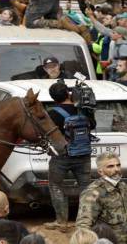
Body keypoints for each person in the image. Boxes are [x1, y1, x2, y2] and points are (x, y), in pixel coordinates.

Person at [44, 80, 94, 232]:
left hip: (62, 156)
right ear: (68, 93)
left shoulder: (52, 113)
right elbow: (93, 125)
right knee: (86, 187)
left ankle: (61, 222)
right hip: (83, 153)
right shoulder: (84, 108)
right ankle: (87, 221)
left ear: (53, 98)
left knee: (55, 185)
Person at [76, 152, 127, 242]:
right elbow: (83, 225)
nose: (116, 169)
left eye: (118, 165)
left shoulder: (122, 186)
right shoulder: (93, 192)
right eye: (110, 166)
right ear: (100, 171)